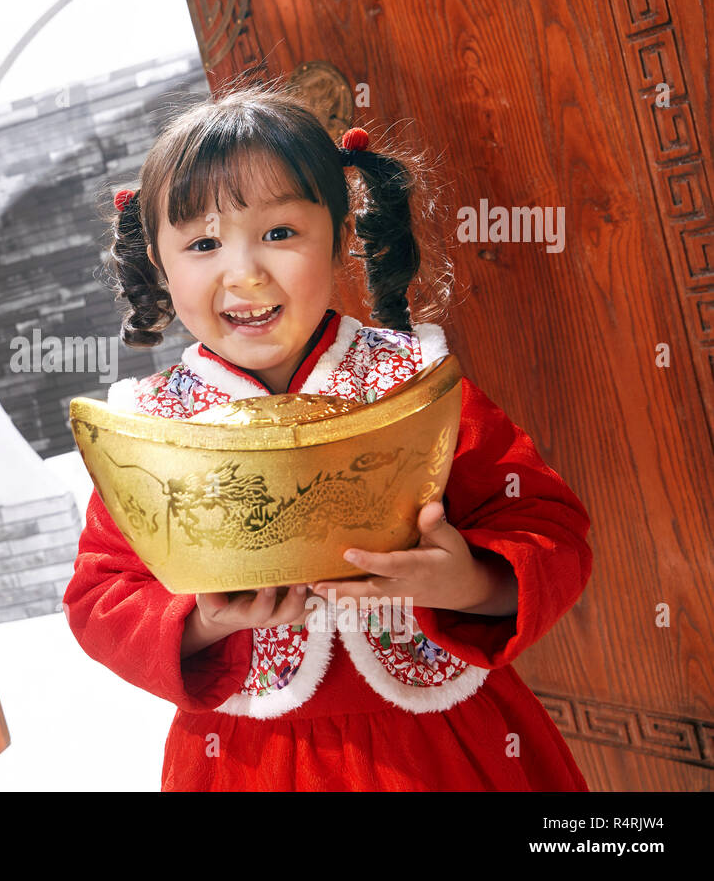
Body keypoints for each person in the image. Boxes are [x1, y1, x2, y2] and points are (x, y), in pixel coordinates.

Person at [62, 80, 593, 791]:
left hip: (447, 745)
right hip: (249, 758)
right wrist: (204, 623)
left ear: (341, 236)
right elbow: (102, 597)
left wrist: (469, 580)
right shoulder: (152, 428)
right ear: (157, 261)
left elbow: (547, 527)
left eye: (280, 234)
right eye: (203, 243)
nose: (244, 272)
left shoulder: (414, 383)